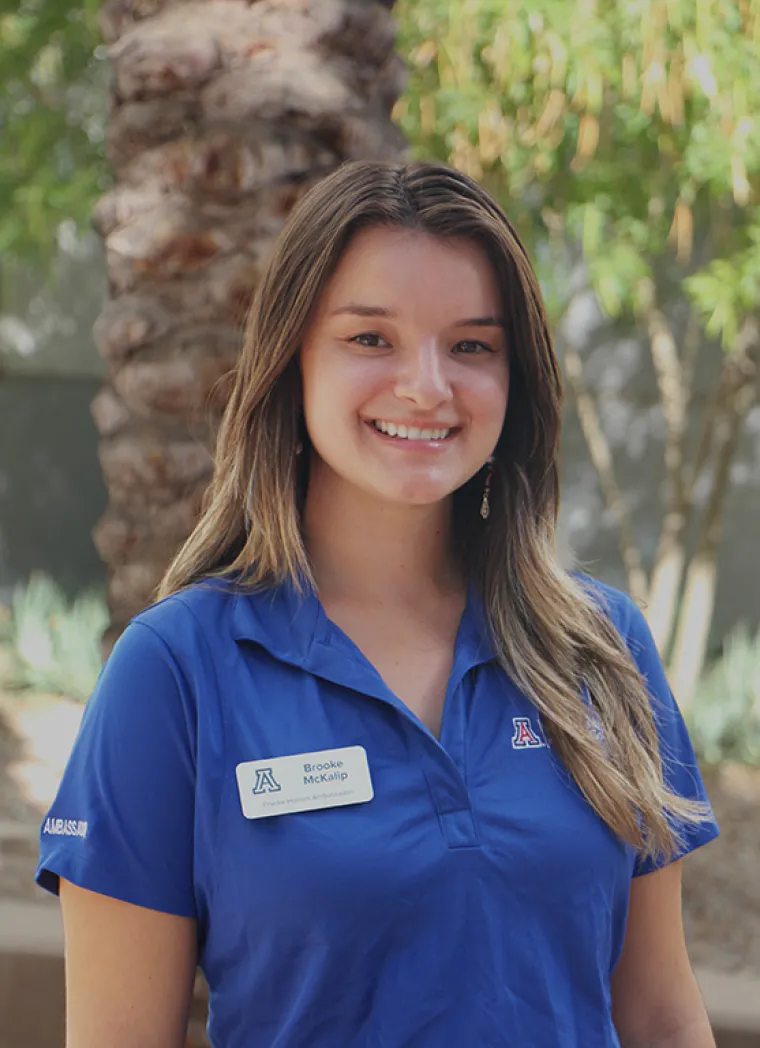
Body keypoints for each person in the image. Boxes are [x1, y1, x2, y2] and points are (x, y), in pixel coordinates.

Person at [37, 160, 719, 1048]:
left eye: (472, 345)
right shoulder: (177, 671)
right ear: (292, 359)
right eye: (371, 338)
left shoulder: (602, 646)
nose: (427, 386)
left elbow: (663, 1015)